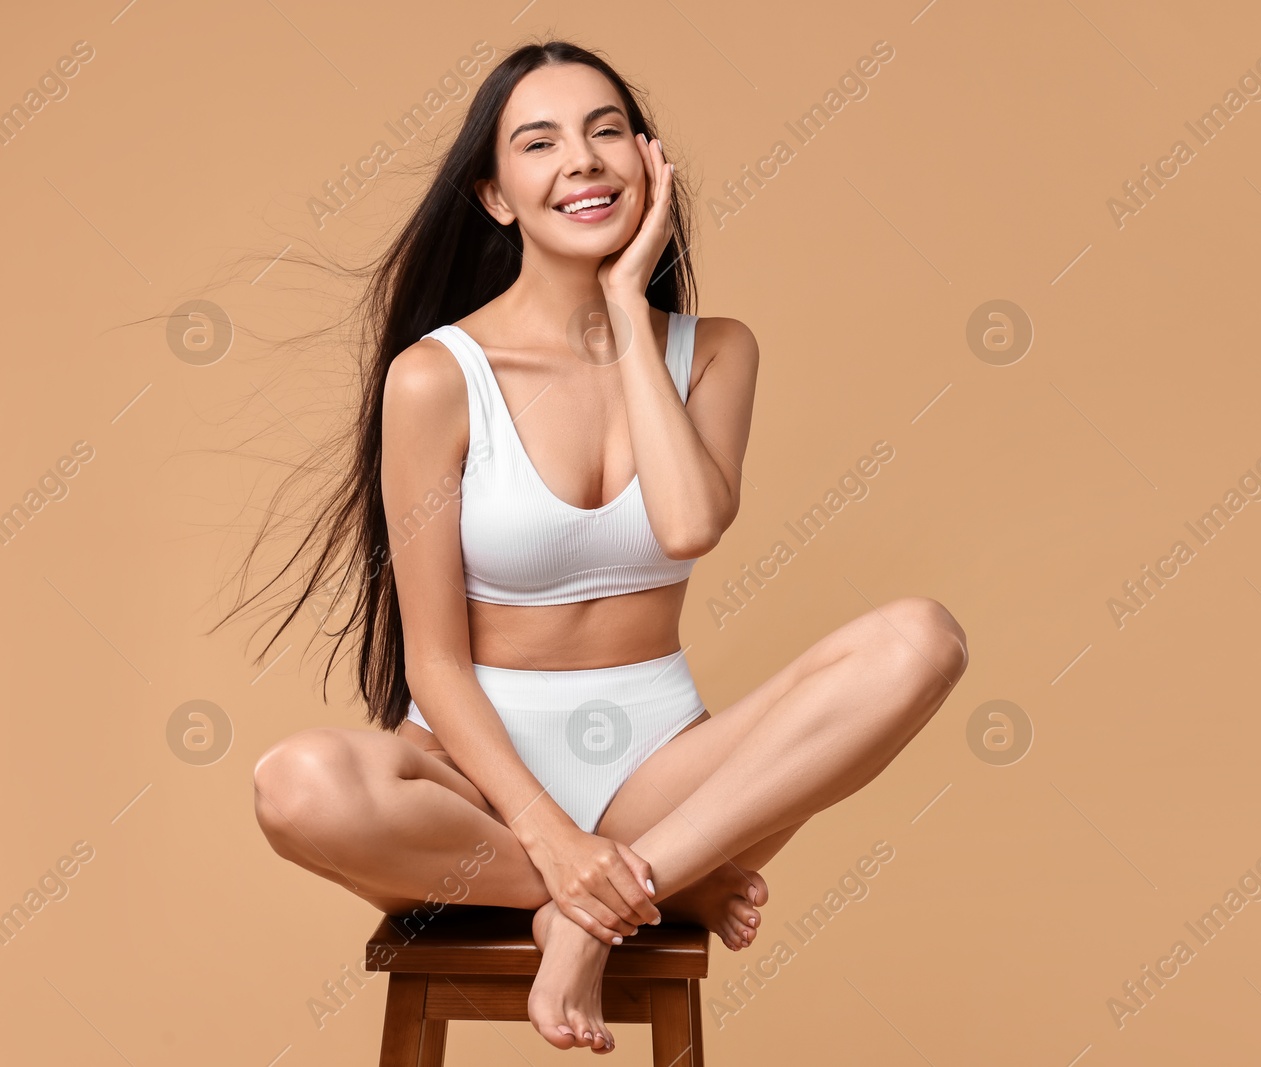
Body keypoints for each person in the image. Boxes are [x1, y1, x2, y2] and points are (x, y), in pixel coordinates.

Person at [241, 39, 968, 1054]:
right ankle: (667, 879)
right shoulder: (435, 378)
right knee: (296, 783)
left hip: (661, 762)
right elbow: (435, 663)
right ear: (497, 196)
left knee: (920, 640)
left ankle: (599, 902)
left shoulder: (713, 350)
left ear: (648, 162)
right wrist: (557, 842)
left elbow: (686, 523)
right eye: (539, 143)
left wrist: (629, 308)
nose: (580, 160)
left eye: (605, 132)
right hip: (477, 783)